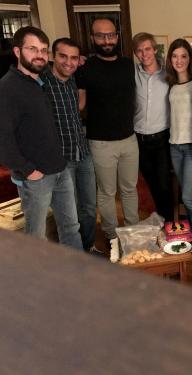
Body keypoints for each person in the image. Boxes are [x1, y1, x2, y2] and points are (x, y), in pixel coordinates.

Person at [0, 26, 82, 250]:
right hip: (36, 177)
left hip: (60, 169)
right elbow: (3, 140)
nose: (39, 55)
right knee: (36, 236)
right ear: (17, 51)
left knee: (70, 227)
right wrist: (28, 170)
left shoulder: (39, 83)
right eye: (32, 49)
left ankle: (78, 275)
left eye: (44, 50)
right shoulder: (7, 88)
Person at [76, 18, 139, 245]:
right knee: (107, 192)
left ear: (117, 36)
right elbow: (79, 103)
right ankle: (112, 235)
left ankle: (132, 233)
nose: (106, 40)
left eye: (110, 35)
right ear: (92, 38)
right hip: (100, 142)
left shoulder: (128, 65)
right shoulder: (84, 68)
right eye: (100, 36)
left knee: (130, 189)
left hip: (129, 139)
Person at [41, 37, 98, 253]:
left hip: (83, 153)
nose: (68, 62)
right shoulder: (41, 82)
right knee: (69, 216)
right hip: (60, 159)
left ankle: (89, 248)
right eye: (63, 56)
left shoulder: (73, 79)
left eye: (74, 58)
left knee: (90, 209)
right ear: (52, 56)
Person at [165, 38, 192, 252]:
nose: (179, 60)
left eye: (183, 56)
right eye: (175, 56)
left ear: (190, 59)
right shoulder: (171, 84)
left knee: (188, 196)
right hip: (174, 146)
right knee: (186, 193)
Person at [132, 32, 173, 222]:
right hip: (139, 140)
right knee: (151, 184)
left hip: (162, 139)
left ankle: (169, 223)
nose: (144, 54)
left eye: (147, 49)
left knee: (165, 184)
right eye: (139, 51)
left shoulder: (168, 74)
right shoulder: (131, 73)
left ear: (154, 49)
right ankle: (161, 219)